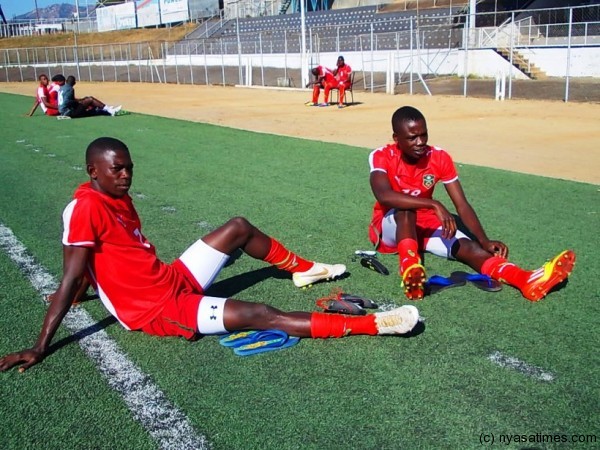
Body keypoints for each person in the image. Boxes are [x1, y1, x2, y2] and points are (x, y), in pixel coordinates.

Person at [0, 137, 420, 373]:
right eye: (117, 170)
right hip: (158, 309)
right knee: (261, 312)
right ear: (93, 171)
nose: (126, 175)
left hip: (169, 278)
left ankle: (305, 270)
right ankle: (377, 323)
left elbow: (96, 259)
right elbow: (73, 270)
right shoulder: (86, 206)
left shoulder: (114, 196)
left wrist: (84, 287)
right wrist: (40, 345)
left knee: (237, 226)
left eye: (129, 167)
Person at [368, 106, 575, 301]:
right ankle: (410, 268)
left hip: (426, 224)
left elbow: (462, 205)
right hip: (391, 227)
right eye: (412, 137)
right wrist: (434, 204)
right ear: (397, 139)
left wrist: (484, 240)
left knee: (469, 248)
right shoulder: (381, 156)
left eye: (424, 134)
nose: (420, 142)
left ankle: (525, 280)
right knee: (407, 211)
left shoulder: (438, 157)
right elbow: (384, 195)